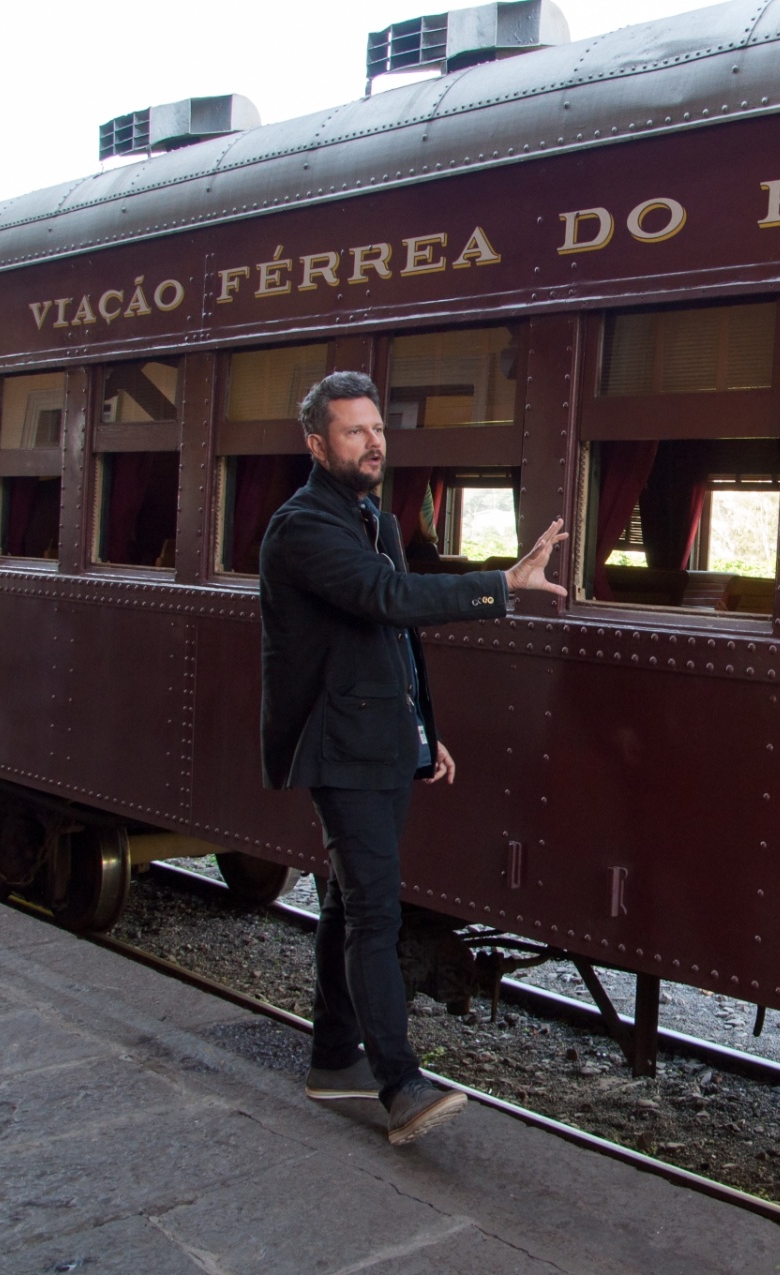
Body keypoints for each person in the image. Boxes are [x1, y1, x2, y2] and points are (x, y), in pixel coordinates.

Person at [258, 371, 567, 1145]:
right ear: (317, 443)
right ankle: (397, 1084)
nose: (374, 443)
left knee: (344, 899)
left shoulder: (374, 520)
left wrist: (424, 730)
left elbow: (392, 641)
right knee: (374, 908)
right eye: (355, 431)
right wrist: (499, 583)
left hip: (382, 740)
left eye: (378, 430)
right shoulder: (304, 529)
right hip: (338, 747)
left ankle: (333, 1058)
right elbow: (387, 600)